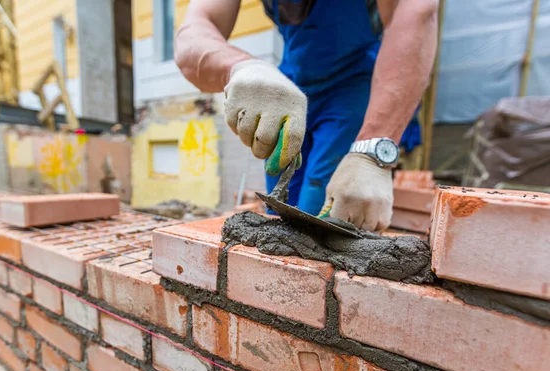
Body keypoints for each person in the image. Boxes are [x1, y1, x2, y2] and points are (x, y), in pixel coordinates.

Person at [175, 0, 438, 231]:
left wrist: (373, 151)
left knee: (320, 210)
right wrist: (242, 68)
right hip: (290, 82)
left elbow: (415, 9)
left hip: (352, 85)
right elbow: (194, 30)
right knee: (280, 208)